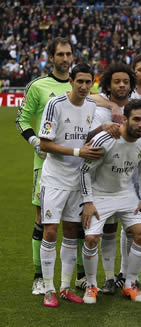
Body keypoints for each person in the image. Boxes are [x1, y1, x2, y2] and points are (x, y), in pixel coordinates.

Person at [15, 37, 86, 295]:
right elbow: (21, 119)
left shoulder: (81, 83)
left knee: (76, 222)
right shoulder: (38, 86)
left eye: (69, 54)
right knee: (43, 221)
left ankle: (80, 275)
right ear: (51, 57)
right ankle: (38, 276)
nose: (65, 59)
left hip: (78, 166)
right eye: (60, 54)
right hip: (45, 165)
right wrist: (35, 141)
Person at [37, 63, 103, 307]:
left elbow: (83, 134)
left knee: (72, 233)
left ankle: (65, 287)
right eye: (80, 82)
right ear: (71, 81)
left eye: (88, 82)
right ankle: (48, 288)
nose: (85, 87)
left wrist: (102, 128)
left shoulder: (92, 106)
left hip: (78, 180)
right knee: (51, 231)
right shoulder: (56, 105)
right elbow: (45, 144)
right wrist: (78, 151)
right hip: (55, 179)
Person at [80, 99, 141, 304]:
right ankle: (91, 285)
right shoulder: (105, 139)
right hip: (100, 195)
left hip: (127, 194)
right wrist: (88, 201)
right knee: (91, 239)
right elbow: (85, 170)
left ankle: (130, 284)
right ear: (125, 119)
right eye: (136, 119)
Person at [87, 62, 136, 295]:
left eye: (126, 81)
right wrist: (105, 123)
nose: (122, 85)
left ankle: (125, 275)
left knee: (132, 230)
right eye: (117, 81)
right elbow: (87, 138)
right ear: (108, 84)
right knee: (108, 229)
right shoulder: (98, 109)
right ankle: (108, 277)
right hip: (104, 181)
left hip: (130, 180)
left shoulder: (137, 107)